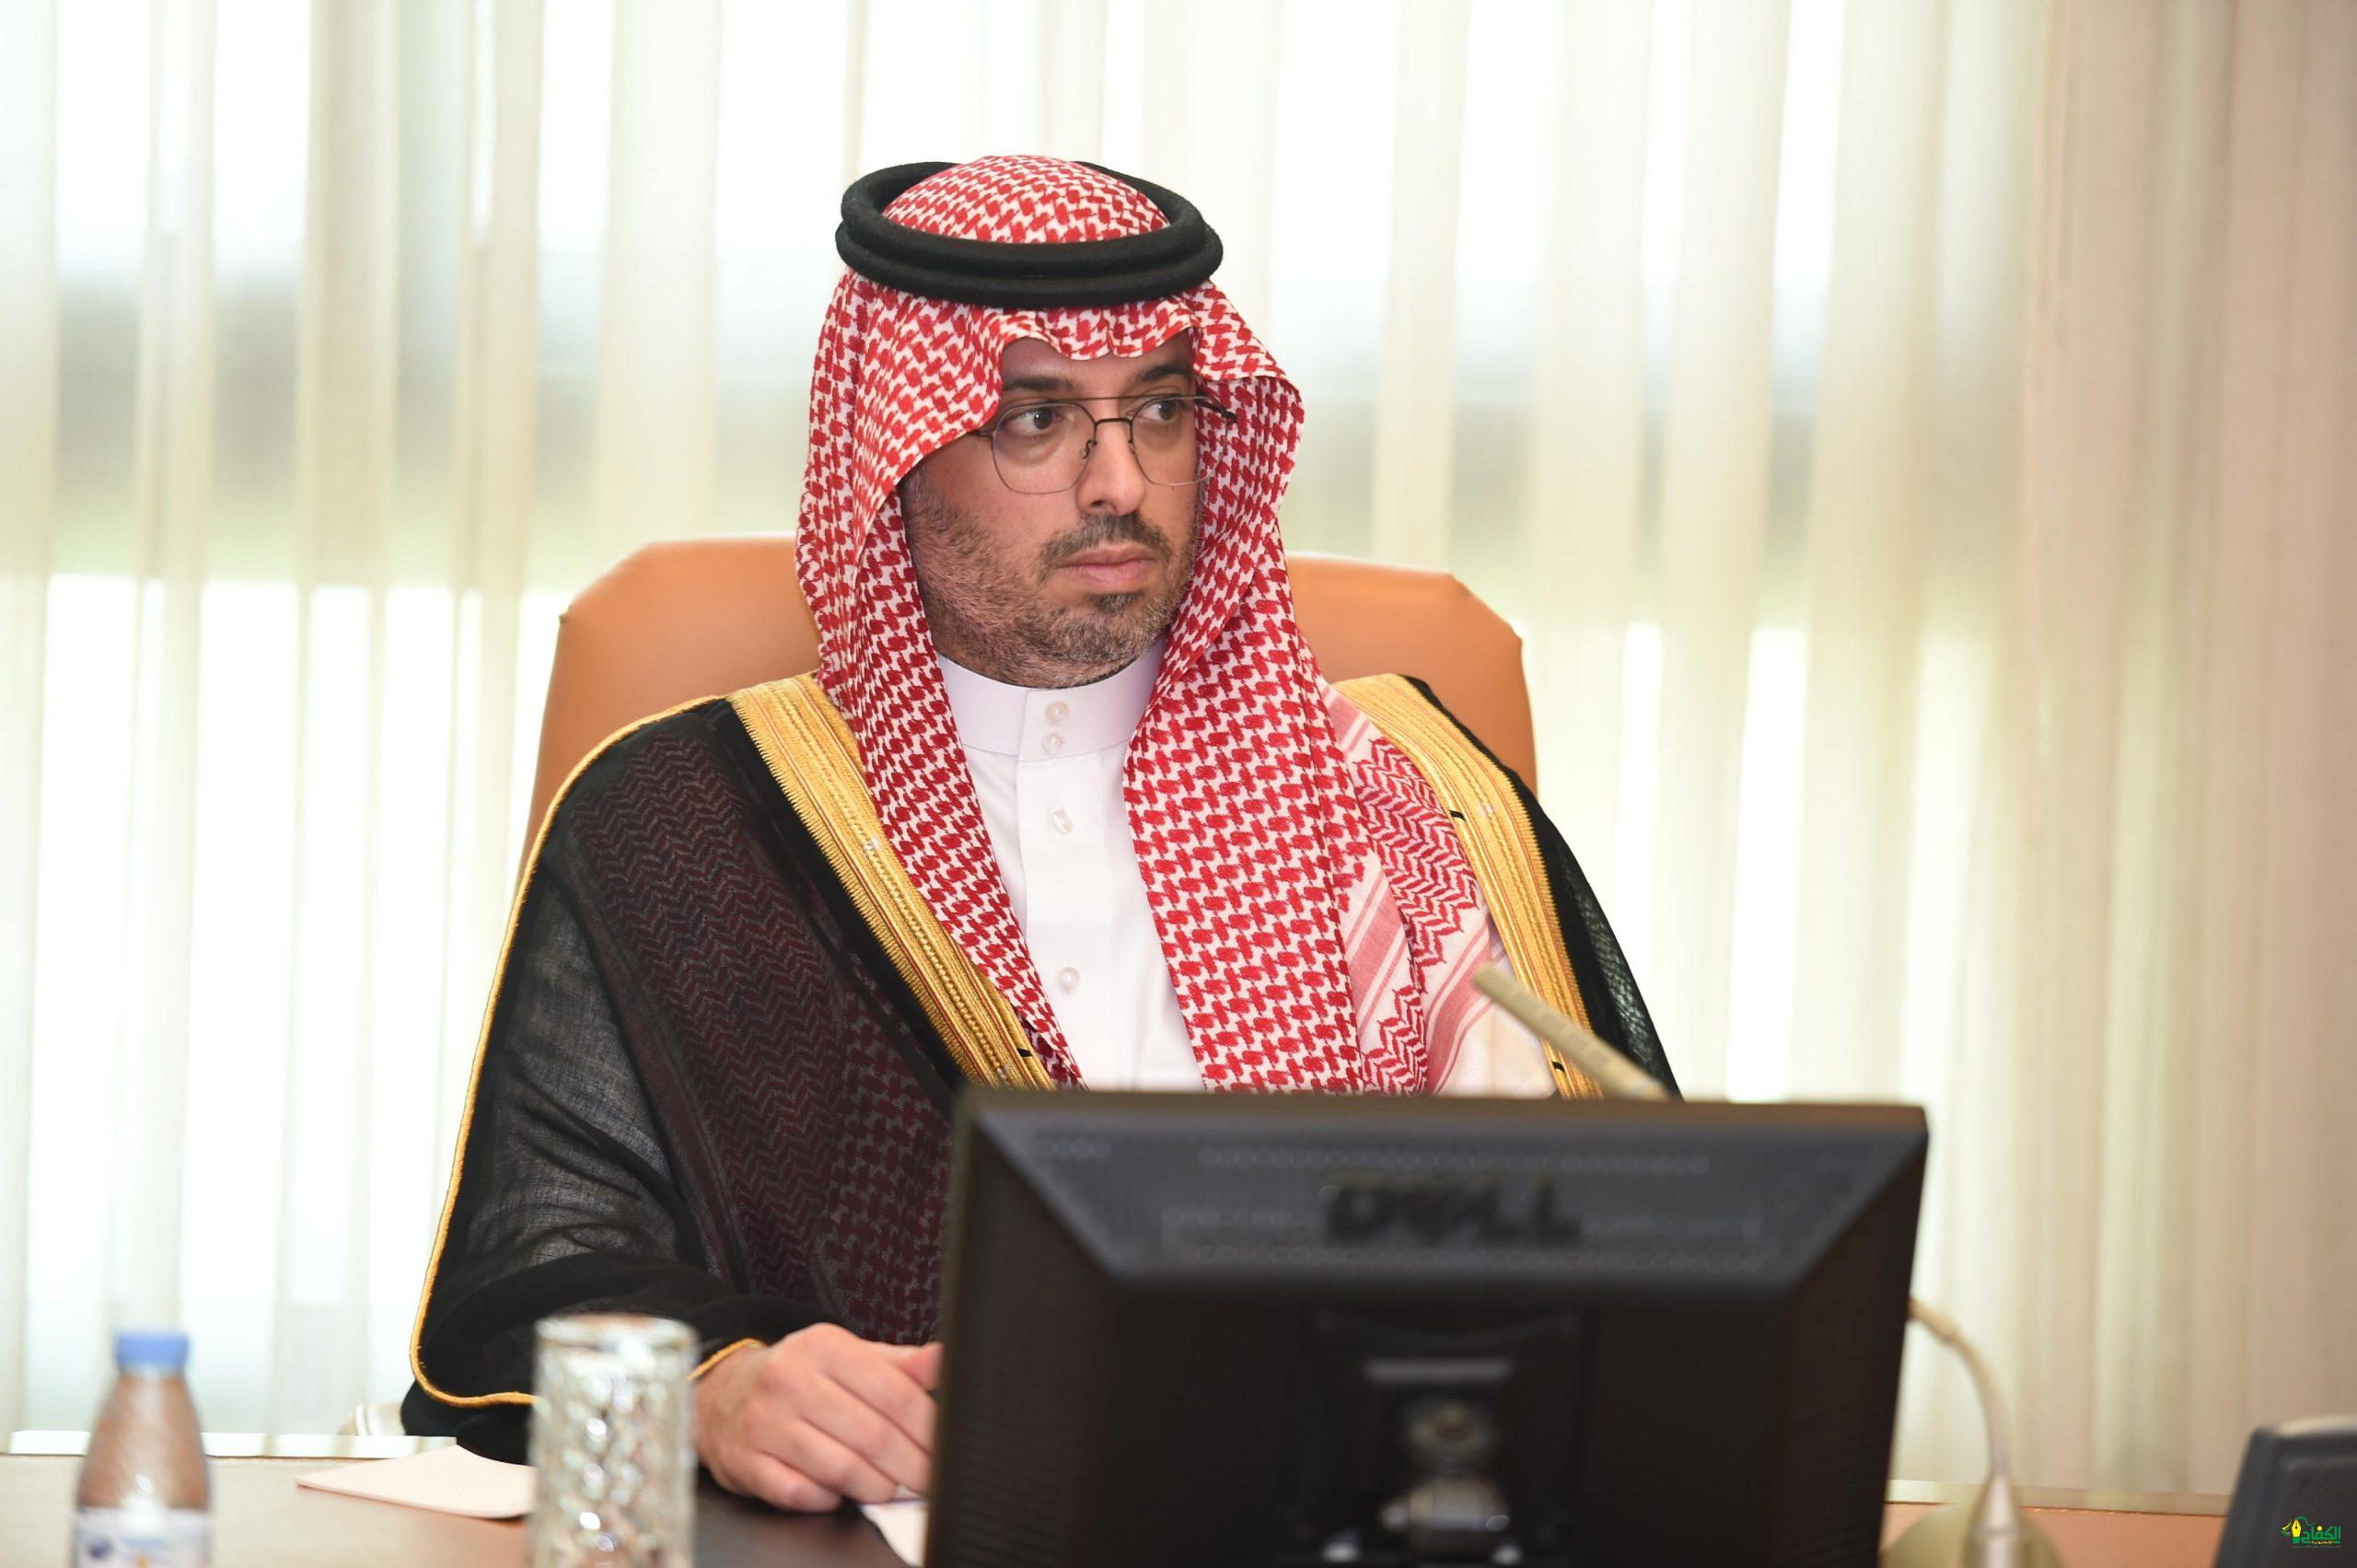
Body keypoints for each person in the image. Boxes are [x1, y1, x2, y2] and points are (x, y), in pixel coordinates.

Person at [401, 155, 1677, 1510]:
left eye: (1162, 409)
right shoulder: (687, 816)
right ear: (898, 448)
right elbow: (535, 1264)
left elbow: (1635, 1261)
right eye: (1035, 419)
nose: (1119, 481)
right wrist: (714, 1384)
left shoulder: (1406, 796)